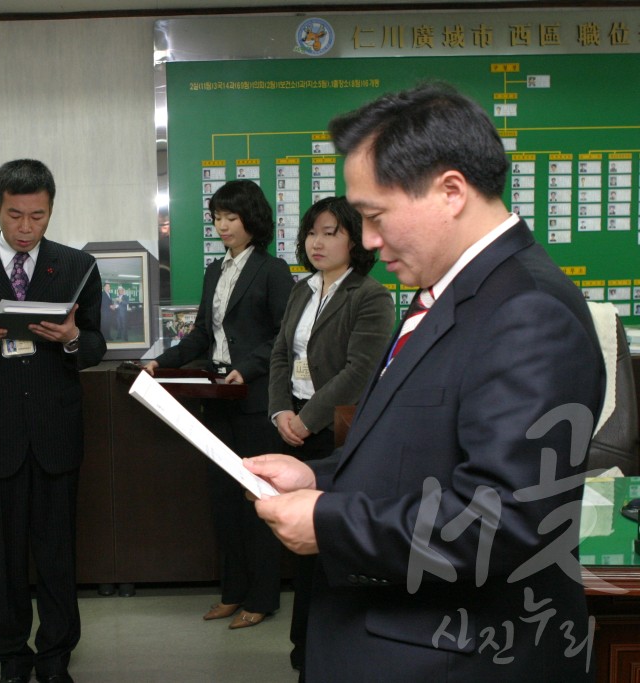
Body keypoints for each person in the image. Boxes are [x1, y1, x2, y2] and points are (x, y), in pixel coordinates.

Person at [244, 83, 604, 681]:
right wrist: (317, 475)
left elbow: (504, 521)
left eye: (374, 216)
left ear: (451, 191)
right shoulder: (446, 294)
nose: (367, 241)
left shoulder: (528, 311)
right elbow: (419, 451)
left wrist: (329, 521)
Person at [0, 159, 105, 683]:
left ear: (51, 211)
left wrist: (72, 338)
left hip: (55, 429)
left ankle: (55, 654)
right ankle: (10, 654)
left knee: (57, 553)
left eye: (38, 216)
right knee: (2, 555)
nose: (26, 228)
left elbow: (95, 345)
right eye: (15, 215)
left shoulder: (78, 267)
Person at [144, 179, 293, 630]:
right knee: (223, 500)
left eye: (231, 217)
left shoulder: (273, 270)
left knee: (256, 500)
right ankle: (232, 591)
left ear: (253, 220)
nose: (222, 225)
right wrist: (160, 362)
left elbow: (280, 336)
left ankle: (263, 597)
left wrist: (246, 368)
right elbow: (202, 336)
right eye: (217, 218)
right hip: (217, 399)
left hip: (253, 398)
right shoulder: (215, 271)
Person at [266, 196, 395, 676]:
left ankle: (327, 653)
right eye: (312, 233)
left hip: (336, 433)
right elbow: (281, 353)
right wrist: (281, 410)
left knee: (328, 547)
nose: (317, 243)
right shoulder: (302, 289)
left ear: (355, 240)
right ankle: (303, 650)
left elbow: (359, 371)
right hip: (292, 424)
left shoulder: (370, 295)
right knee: (301, 557)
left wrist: (309, 419)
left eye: (331, 233)